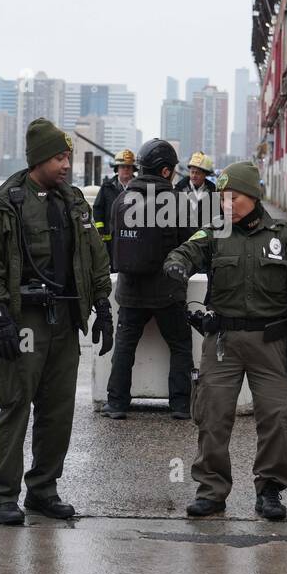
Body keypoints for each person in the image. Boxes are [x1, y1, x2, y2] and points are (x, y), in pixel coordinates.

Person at [0, 118, 114, 525]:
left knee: (57, 410)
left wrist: (102, 305)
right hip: (24, 318)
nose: (66, 165)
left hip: (65, 319)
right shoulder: (5, 203)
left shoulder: (74, 202)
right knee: (15, 405)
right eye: (58, 157)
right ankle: (2, 496)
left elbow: (95, 255)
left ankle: (44, 490)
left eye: (67, 156)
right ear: (38, 160)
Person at [164, 161, 287, 522]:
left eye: (233, 196)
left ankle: (270, 489)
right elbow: (186, 252)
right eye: (222, 196)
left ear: (253, 196)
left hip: (271, 343)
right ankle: (211, 491)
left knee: (276, 418)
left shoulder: (284, 238)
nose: (226, 203)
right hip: (222, 342)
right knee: (212, 415)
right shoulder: (214, 232)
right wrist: (177, 264)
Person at [104, 139, 194, 421]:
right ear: (165, 171)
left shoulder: (122, 199)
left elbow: (112, 238)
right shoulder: (177, 202)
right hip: (167, 292)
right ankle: (179, 405)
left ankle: (117, 404)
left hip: (130, 290)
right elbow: (189, 244)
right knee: (180, 344)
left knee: (125, 346)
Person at [92, 148, 135, 268]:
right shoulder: (107, 187)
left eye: (128, 167)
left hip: (134, 237)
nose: (125, 169)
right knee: (113, 266)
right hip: (111, 238)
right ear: (117, 169)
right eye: (122, 167)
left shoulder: (140, 189)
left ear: (133, 169)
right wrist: (101, 229)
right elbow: (98, 209)